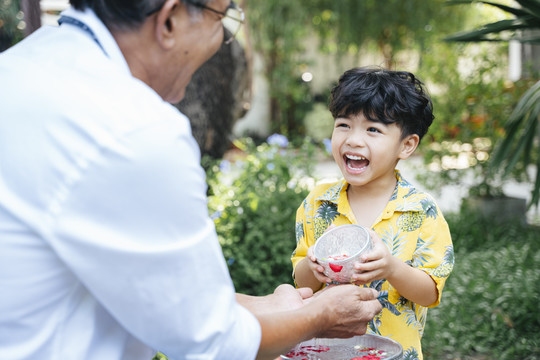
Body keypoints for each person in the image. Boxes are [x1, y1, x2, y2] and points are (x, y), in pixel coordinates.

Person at [0, 2, 382, 360]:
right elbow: (210, 342)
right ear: (170, 20)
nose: (220, 43)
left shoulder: (21, 67)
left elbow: (146, 281)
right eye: (222, 20)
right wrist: (318, 316)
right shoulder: (133, 128)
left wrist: (264, 305)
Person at [291, 67, 454, 359]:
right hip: (327, 350)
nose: (353, 139)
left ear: (406, 145)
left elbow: (430, 293)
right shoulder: (317, 204)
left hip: (394, 353)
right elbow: (302, 283)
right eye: (343, 125)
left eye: (373, 130)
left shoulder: (421, 210)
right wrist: (314, 263)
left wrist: (391, 268)